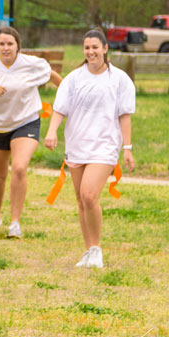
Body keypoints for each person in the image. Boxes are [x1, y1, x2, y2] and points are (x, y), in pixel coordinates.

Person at [44, 29, 135, 268]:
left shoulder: (119, 79)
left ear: (105, 49)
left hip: (104, 146)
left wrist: (127, 147)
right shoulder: (74, 79)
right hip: (77, 145)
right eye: (87, 48)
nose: (91, 52)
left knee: (89, 194)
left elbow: (124, 115)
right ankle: (87, 252)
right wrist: (52, 131)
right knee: (81, 200)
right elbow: (60, 109)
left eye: (95, 47)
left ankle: (96, 250)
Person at [0, 26, 62, 238]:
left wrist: (66, 96)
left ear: (18, 45)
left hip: (26, 122)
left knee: (19, 168)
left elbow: (52, 75)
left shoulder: (31, 63)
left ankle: (15, 223)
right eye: (2, 44)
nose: (6, 48)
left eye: (10, 43)